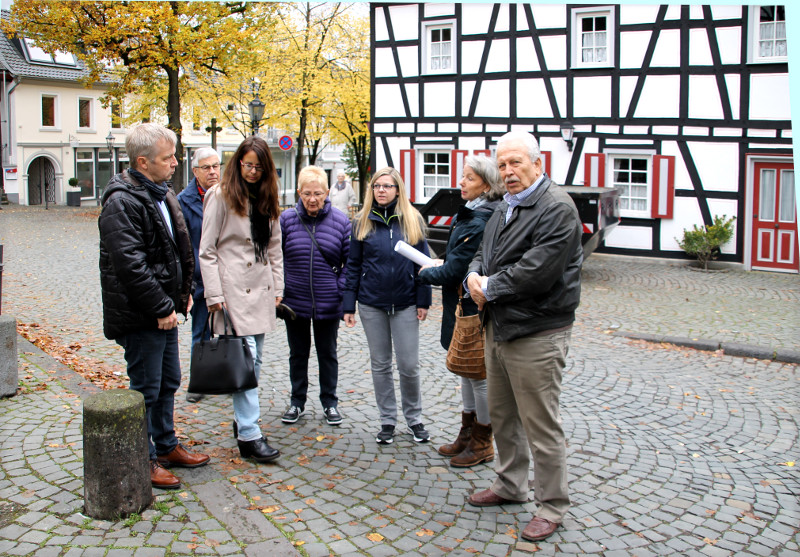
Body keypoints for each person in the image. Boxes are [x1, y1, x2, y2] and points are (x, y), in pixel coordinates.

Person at [465, 131, 583, 542]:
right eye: (502, 164)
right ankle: (510, 485)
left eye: (516, 162)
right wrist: (473, 275)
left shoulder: (556, 208)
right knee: (503, 415)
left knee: (541, 424)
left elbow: (538, 270)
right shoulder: (504, 207)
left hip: (537, 329)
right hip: (499, 325)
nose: (508, 171)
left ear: (538, 164)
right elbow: (484, 252)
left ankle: (551, 505)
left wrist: (488, 287)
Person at [98, 123, 210, 490]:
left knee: (168, 382)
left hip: (164, 311)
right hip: (141, 315)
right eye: (167, 158)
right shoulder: (122, 201)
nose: (175, 163)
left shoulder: (160, 192)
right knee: (146, 387)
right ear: (143, 162)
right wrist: (163, 306)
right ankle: (142, 458)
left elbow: (178, 248)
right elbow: (130, 265)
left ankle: (165, 445)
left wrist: (183, 295)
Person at [199, 136, 283, 464]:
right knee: (245, 359)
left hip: (260, 288)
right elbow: (206, 250)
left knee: (255, 361)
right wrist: (214, 294)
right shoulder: (220, 195)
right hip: (232, 289)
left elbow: (274, 247)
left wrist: (279, 287)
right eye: (247, 165)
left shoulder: (267, 197)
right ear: (238, 163)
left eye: (258, 167)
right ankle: (249, 433)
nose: (251, 171)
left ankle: (242, 419)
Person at [418, 155, 504, 467]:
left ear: (486, 183)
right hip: (462, 303)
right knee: (465, 372)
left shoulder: (480, 219)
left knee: (477, 374)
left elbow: (456, 269)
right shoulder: (471, 213)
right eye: (462, 176)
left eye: (468, 178)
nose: (461, 182)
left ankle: (483, 441)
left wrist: (422, 272)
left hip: (473, 306)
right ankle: (467, 435)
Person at [343, 167, 432, 445]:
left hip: (405, 303)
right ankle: (387, 420)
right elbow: (354, 266)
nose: (381, 190)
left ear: (398, 190)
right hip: (372, 303)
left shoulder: (412, 220)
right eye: (377, 186)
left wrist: (423, 299)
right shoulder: (361, 222)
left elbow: (423, 264)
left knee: (408, 365)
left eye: (387, 186)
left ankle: (414, 418)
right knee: (380, 365)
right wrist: (349, 304)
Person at [279, 165, 351, 426]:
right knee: (297, 354)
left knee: (327, 354)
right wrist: (280, 291)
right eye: (307, 193)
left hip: (328, 301)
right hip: (294, 301)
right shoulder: (286, 220)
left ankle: (330, 403)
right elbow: (277, 259)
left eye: (318, 193)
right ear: (299, 192)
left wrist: (339, 291)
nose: (312, 199)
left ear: (327, 192)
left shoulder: (342, 222)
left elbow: (349, 263)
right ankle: (297, 402)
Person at [177, 147, 221, 404]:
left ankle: (229, 376)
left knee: (230, 333)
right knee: (201, 334)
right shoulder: (184, 201)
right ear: (195, 171)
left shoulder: (230, 195)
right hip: (201, 280)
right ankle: (199, 382)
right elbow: (183, 245)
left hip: (228, 279)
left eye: (216, 165)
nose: (213, 171)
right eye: (207, 167)